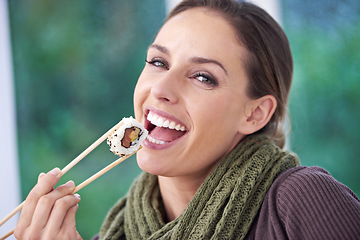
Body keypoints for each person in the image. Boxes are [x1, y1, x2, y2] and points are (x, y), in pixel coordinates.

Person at [13, 0, 360, 239]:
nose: (161, 88)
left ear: (254, 113)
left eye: (203, 77)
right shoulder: (115, 232)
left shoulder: (301, 202)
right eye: (158, 63)